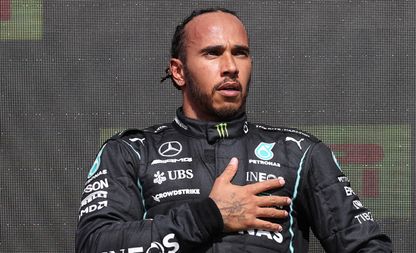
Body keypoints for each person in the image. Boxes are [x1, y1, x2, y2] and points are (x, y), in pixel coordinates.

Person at [75, 8, 392, 253]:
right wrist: (209, 216)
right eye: (213, 53)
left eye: (240, 52)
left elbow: (368, 247)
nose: (230, 66)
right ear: (178, 71)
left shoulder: (299, 152)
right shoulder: (132, 152)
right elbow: (95, 245)